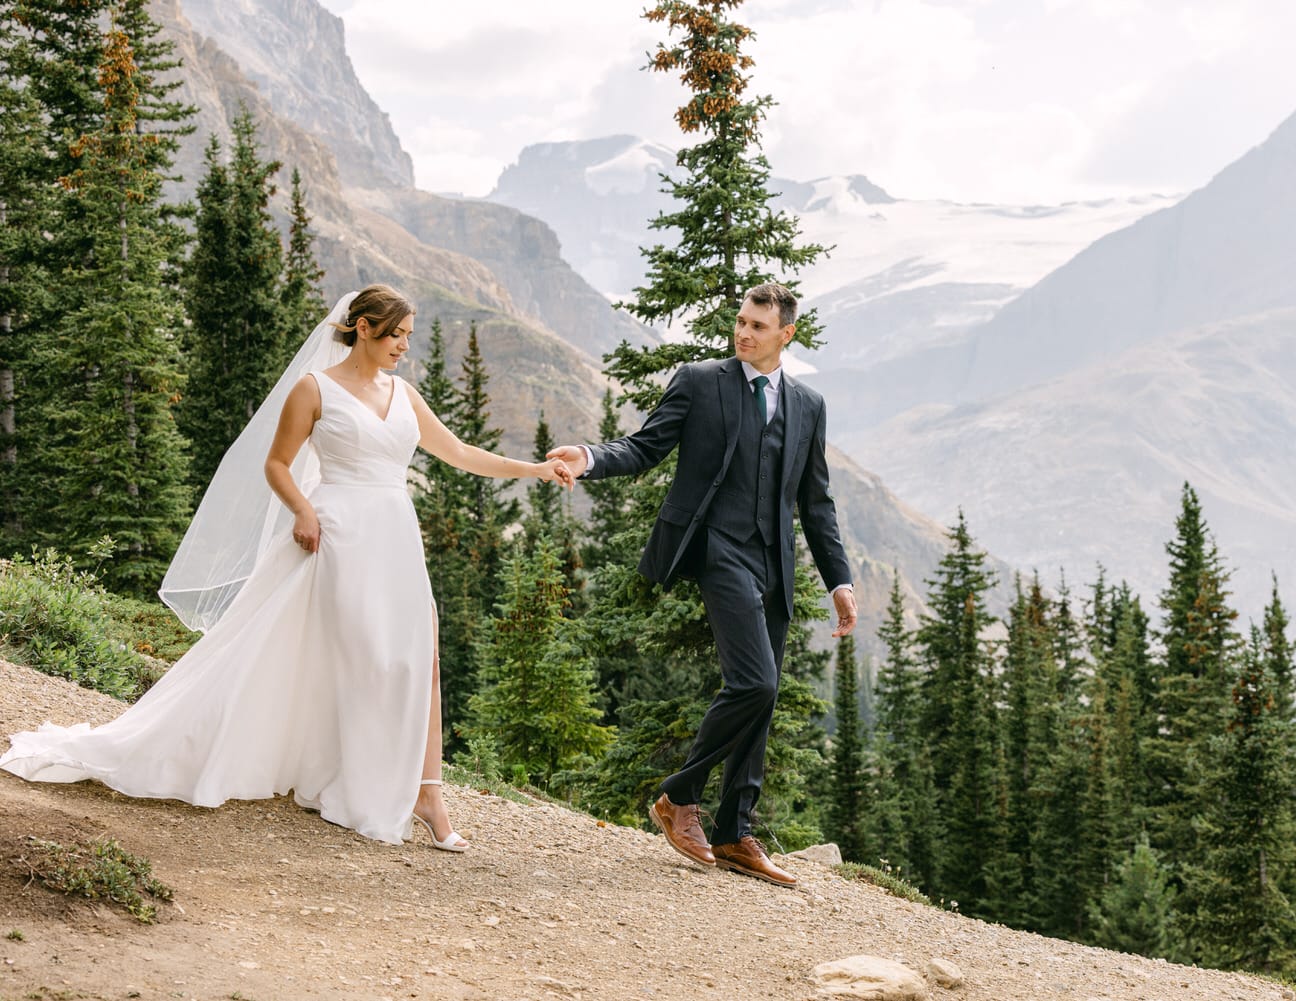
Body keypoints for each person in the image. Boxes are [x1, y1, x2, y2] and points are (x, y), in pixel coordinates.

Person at [1, 284, 574, 851]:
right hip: (337, 533)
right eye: (396, 333)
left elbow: (461, 453)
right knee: (364, 655)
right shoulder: (314, 389)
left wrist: (536, 470)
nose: (404, 345)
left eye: (409, 336)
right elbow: (277, 464)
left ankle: (427, 792)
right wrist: (302, 509)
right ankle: (337, 769)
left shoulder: (404, 393)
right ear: (364, 327)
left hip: (395, 534)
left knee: (421, 656)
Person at [549, 282, 856, 888]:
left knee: (761, 701)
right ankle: (678, 796)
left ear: (785, 335)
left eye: (757, 327)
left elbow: (815, 502)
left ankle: (734, 832)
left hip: (776, 565)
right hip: (717, 549)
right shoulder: (700, 380)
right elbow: (645, 446)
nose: (743, 333)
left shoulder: (808, 404)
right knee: (756, 680)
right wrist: (589, 456)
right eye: (740, 322)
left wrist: (838, 579)